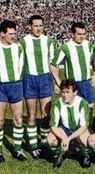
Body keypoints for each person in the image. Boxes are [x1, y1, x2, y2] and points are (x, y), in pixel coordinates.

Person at [19, 15, 54, 158]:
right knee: (32, 116)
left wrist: (56, 81)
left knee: (46, 115)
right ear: (30, 26)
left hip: (45, 79)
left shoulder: (49, 40)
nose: (38, 28)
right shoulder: (23, 42)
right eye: (36, 25)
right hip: (29, 79)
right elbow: (19, 63)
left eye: (41, 25)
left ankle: (44, 143)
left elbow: (52, 62)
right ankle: (33, 146)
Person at [50, 22, 95, 123]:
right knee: (75, 110)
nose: (82, 36)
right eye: (79, 34)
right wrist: (59, 83)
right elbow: (53, 65)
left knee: (90, 107)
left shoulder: (89, 44)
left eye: (84, 34)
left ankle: (87, 131)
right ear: (72, 34)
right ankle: (73, 134)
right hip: (73, 84)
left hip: (87, 82)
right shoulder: (65, 47)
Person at [47, 79, 91, 168]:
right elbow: (53, 125)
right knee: (50, 139)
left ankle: (85, 155)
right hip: (65, 129)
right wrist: (64, 138)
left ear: (75, 92)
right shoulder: (57, 103)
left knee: (85, 138)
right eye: (63, 92)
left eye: (68, 92)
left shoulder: (83, 103)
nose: (64, 95)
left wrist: (69, 139)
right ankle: (60, 154)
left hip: (78, 129)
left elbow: (83, 127)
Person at [0, 20, 26, 162]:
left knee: (18, 119)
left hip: (15, 86)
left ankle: (17, 150)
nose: (13, 36)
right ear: (2, 34)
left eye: (14, 34)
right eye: (10, 34)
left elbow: (21, 68)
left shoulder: (18, 48)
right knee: (0, 121)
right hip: (1, 87)